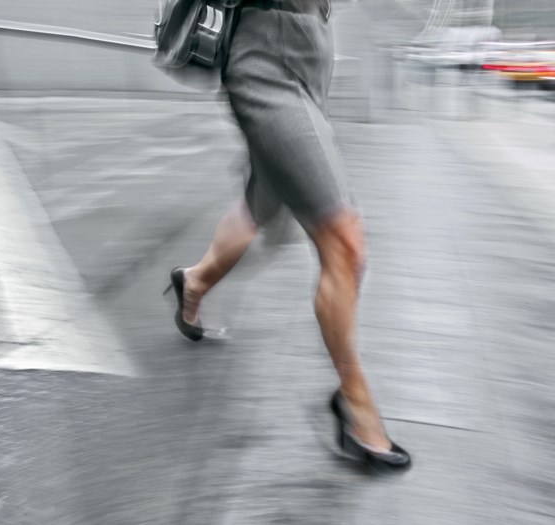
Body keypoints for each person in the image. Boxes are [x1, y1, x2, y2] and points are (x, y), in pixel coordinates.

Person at [165, 0, 411, 471]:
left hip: (312, 46)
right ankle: (354, 401)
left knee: (261, 201)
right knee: (344, 242)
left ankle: (193, 283)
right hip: (264, 54)